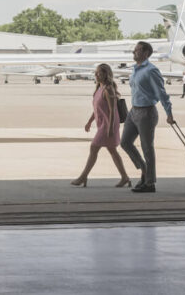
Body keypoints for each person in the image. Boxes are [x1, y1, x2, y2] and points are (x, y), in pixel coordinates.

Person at [120, 40, 175, 193]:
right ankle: (144, 169)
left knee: (147, 148)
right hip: (134, 111)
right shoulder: (135, 69)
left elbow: (161, 93)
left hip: (147, 112)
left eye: (136, 50)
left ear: (145, 53)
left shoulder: (151, 70)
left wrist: (169, 114)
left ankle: (150, 183)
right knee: (124, 142)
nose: (133, 52)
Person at [71, 63, 131, 188]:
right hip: (102, 124)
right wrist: (89, 122)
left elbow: (112, 110)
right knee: (112, 151)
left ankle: (83, 177)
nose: (96, 75)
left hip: (108, 125)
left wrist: (110, 129)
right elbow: (97, 109)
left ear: (106, 74)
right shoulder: (99, 88)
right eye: (96, 72)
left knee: (93, 148)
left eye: (99, 72)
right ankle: (125, 177)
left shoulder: (108, 89)